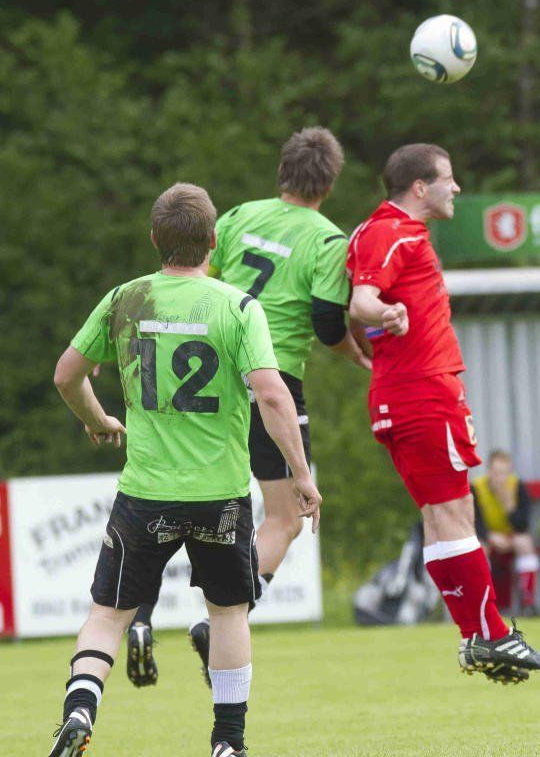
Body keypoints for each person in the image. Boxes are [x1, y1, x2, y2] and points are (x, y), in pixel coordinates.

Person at [47, 182, 321, 757]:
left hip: (145, 492)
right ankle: (228, 742)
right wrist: (301, 473)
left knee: (108, 615)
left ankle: (80, 709)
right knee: (228, 613)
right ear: (213, 241)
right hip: (219, 495)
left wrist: (98, 420)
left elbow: (66, 374)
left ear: (155, 239)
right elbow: (273, 396)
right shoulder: (237, 307)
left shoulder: (127, 299)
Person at [126, 127, 370, 687]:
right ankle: (224, 619)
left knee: (173, 497)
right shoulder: (328, 241)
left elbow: (195, 283)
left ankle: (139, 615)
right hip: (271, 379)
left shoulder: (237, 217)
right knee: (284, 518)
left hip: (212, 374)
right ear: (329, 182)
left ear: (283, 170)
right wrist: (357, 354)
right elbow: (327, 322)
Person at [347, 143, 540, 685]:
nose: (456, 187)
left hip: (404, 393)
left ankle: (475, 637)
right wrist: (384, 313)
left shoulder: (378, 232)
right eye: (448, 178)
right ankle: (491, 634)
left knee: (439, 519)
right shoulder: (394, 232)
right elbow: (361, 301)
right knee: (456, 512)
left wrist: (377, 327)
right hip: (423, 392)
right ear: (420, 187)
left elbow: (350, 305)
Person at [472, 450, 540, 615]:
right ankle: (484, 603)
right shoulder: (477, 488)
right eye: (496, 473)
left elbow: (523, 525)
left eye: (504, 473)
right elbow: (474, 521)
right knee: (479, 549)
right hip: (488, 537)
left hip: (511, 536)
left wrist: (509, 505)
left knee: (525, 542)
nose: (500, 478)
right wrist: (490, 536)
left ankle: (528, 602)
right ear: (489, 471)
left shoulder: (517, 487)